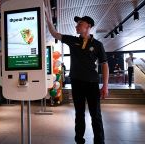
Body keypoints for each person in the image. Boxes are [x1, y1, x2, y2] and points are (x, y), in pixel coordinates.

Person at [45, 9, 109, 144]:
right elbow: (54, 33)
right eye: (77, 24)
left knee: (95, 115)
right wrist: (48, 19)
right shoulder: (72, 40)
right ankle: (79, 140)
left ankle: (100, 141)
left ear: (88, 27)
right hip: (77, 83)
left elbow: (104, 64)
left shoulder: (97, 45)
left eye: (80, 23)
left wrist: (105, 85)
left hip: (92, 83)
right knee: (79, 114)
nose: (76, 26)